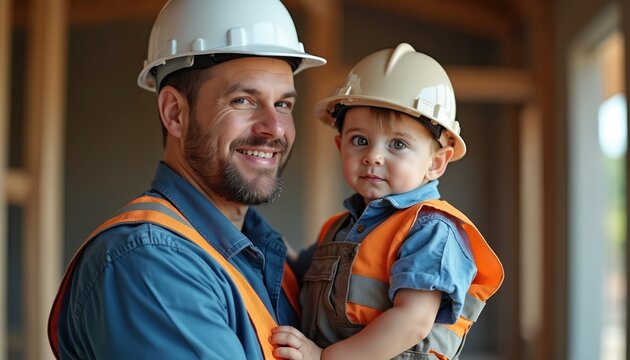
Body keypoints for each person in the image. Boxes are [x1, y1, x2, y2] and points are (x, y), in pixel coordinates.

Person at [47, 0, 326, 358]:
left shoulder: (265, 253)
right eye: (243, 100)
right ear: (175, 113)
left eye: (284, 104)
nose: (274, 128)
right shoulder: (151, 263)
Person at [269, 43, 504, 360]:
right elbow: (296, 274)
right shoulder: (339, 228)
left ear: (435, 163)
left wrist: (324, 358)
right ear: (341, 146)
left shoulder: (431, 230)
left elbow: (413, 322)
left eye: (397, 144)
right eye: (360, 140)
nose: (373, 157)